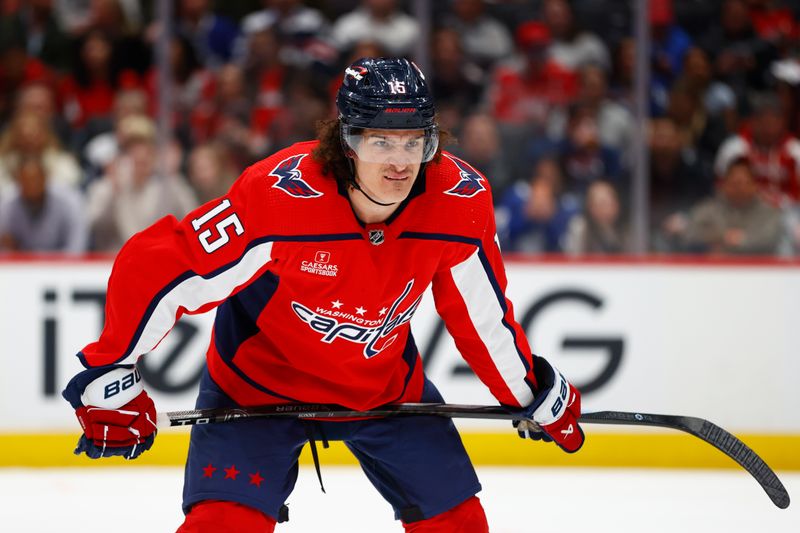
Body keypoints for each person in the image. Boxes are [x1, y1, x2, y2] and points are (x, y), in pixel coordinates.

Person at [61, 58, 584, 532]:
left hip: (383, 391)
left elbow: (481, 318)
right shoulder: (281, 196)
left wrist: (528, 392)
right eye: (381, 142)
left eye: (414, 142)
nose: (400, 163)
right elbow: (160, 264)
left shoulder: (458, 201)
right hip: (258, 386)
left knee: (460, 527)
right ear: (346, 141)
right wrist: (111, 372)